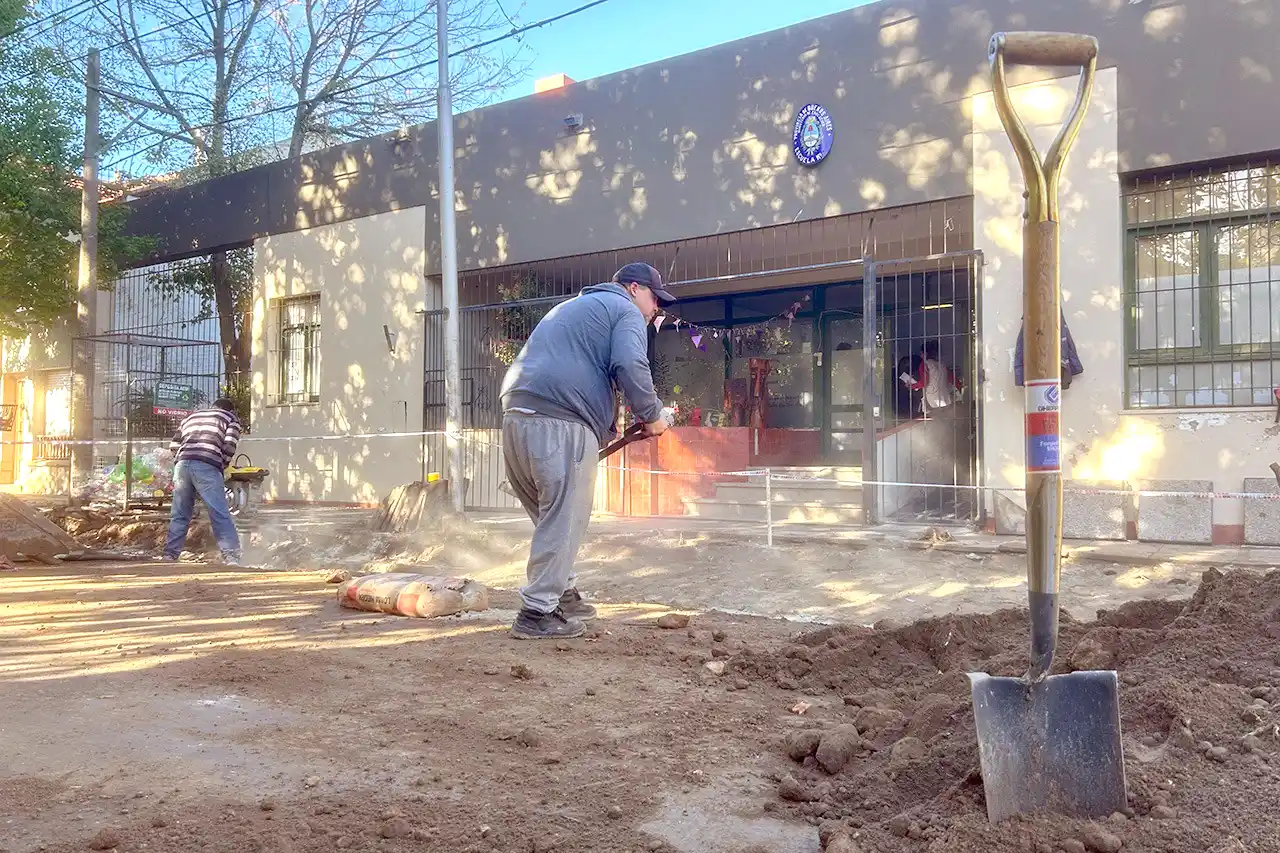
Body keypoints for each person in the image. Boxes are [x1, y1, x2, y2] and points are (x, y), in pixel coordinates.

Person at [500, 262, 675, 639]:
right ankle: (536, 613)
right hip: (562, 421)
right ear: (633, 288)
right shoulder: (624, 310)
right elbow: (629, 363)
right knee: (565, 518)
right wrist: (652, 415)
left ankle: (562, 592)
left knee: (553, 516)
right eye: (654, 299)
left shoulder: (572, 308)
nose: (655, 309)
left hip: (517, 415)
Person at [163, 398, 243, 565]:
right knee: (219, 512)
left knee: (180, 512)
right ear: (231, 410)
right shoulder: (230, 419)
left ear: (213, 407)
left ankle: (170, 555)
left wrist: (183, 459)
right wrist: (221, 466)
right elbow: (229, 446)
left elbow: (174, 445)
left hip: (182, 466)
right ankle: (232, 557)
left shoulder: (191, 417)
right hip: (207, 465)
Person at [903, 340, 961, 416]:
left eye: (921, 353)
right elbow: (953, 380)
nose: (921, 356)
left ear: (925, 354)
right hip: (946, 401)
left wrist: (911, 385)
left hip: (932, 403)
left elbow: (923, 383)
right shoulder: (942, 365)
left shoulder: (925, 365)